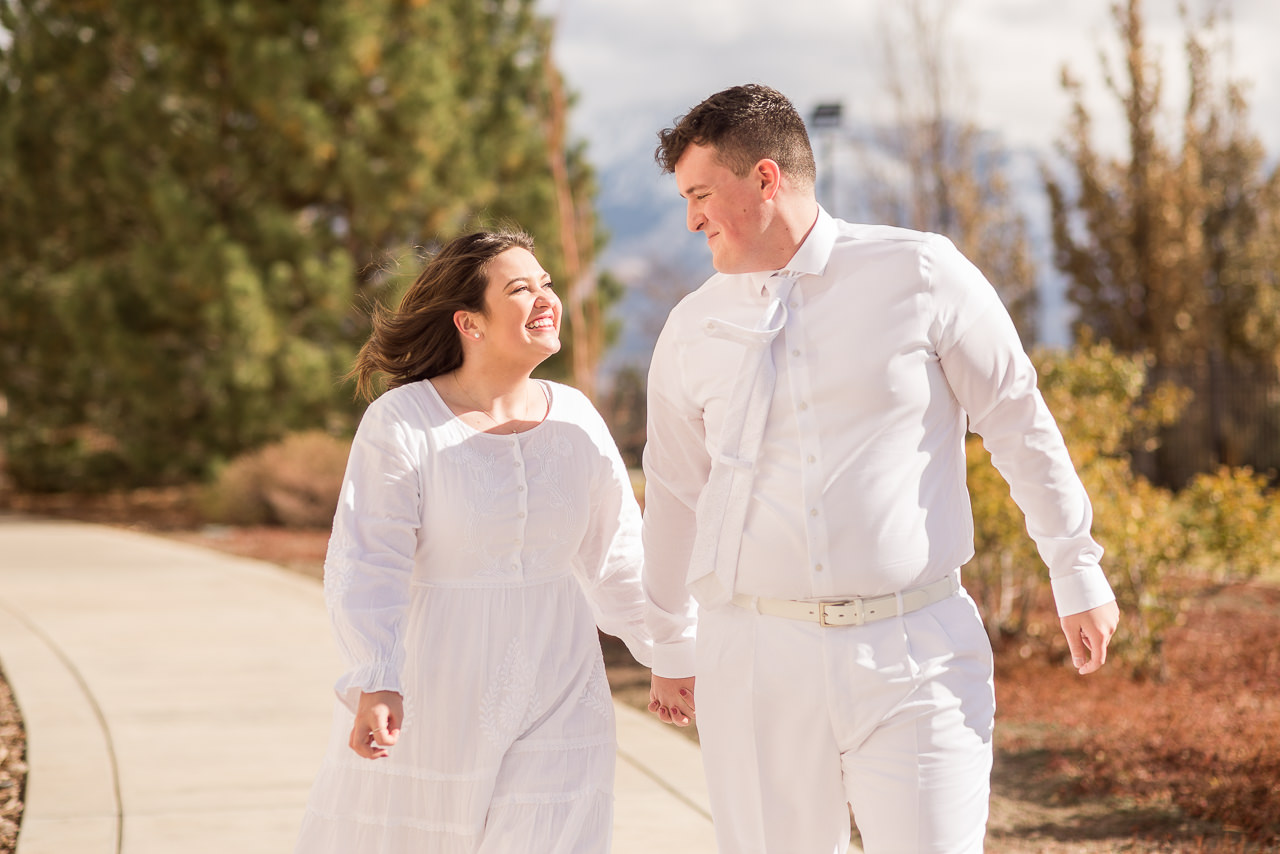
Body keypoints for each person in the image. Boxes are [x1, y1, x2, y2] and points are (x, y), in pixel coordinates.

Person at [641, 84, 1120, 854]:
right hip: (758, 661)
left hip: (918, 650)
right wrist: (670, 640)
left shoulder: (922, 274)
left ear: (766, 179)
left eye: (701, 195)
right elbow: (672, 492)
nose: (692, 219)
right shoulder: (691, 327)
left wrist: (1076, 565)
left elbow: (1015, 417)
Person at [294, 229, 652, 854]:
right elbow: (367, 559)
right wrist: (376, 677)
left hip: (562, 683)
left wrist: (670, 652)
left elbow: (617, 557)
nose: (546, 299)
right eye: (520, 289)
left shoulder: (576, 416)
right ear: (470, 322)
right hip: (437, 688)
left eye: (546, 283)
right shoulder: (403, 421)